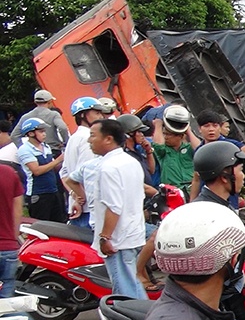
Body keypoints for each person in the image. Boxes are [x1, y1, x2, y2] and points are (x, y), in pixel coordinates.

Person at [0, 162, 58, 320]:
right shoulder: (9, 173)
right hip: (7, 248)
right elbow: (17, 212)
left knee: (3, 307)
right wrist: (12, 240)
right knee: (6, 304)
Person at [90, 119, 148, 300]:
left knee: (125, 291)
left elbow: (113, 206)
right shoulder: (130, 161)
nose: (89, 141)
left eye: (92, 136)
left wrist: (105, 237)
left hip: (118, 239)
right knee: (132, 283)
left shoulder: (108, 168)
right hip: (133, 233)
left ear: (108, 139)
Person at [61, 96, 113, 228]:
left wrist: (74, 194)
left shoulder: (74, 137)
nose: (100, 116)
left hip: (80, 204)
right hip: (88, 209)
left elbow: (64, 173)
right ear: (83, 115)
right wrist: (80, 197)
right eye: (96, 112)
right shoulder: (87, 138)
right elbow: (86, 173)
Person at [17, 118, 66, 222]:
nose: (44, 134)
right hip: (38, 193)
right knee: (42, 224)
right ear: (31, 133)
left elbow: (53, 167)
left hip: (53, 190)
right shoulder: (25, 149)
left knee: (59, 223)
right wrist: (58, 160)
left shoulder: (46, 147)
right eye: (41, 131)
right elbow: (37, 171)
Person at [151, 104, 200, 196]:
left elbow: (200, 150)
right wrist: (158, 125)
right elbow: (158, 146)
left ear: (180, 136)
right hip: (173, 192)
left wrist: (188, 131)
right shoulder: (164, 152)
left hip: (192, 190)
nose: (165, 137)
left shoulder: (188, 148)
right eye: (164, 134)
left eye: (169, 135)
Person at [119, 114, 158, 187]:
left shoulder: (135, 150)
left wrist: (148, 151)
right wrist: (155, 193)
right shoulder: (125, 156)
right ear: (129, 134)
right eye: (139, 132)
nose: (142, 135)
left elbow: (151, 170)